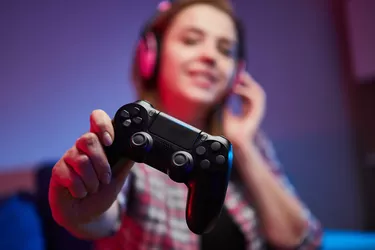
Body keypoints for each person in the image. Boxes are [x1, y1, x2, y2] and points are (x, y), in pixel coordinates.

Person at [48, 0, 322, 249]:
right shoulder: (128, 139)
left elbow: (303, 241)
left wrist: (243, 146)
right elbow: (103, 216)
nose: (210, 56)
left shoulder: (249, 141)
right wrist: (86, 213)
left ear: (236, 73)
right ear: (151, 57)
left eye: (225, 50)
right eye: (192, 40)